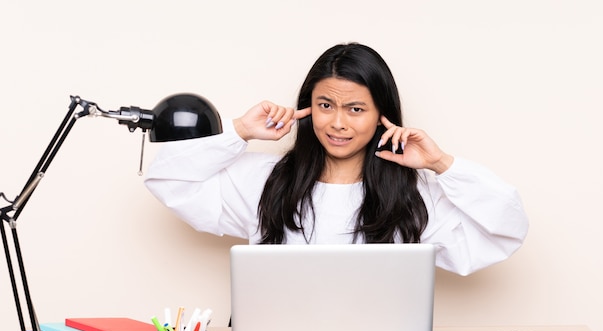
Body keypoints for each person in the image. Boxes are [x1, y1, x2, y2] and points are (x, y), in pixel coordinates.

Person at [144, 43, 528, 276]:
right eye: (325, 105)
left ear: (382, 115)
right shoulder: (265, 180)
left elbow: (505, 231)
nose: (338, 123)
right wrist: (240, 130)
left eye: (356, 109)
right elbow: (169, 180)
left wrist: (441, 164)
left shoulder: (415, 195)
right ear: (307, 107)